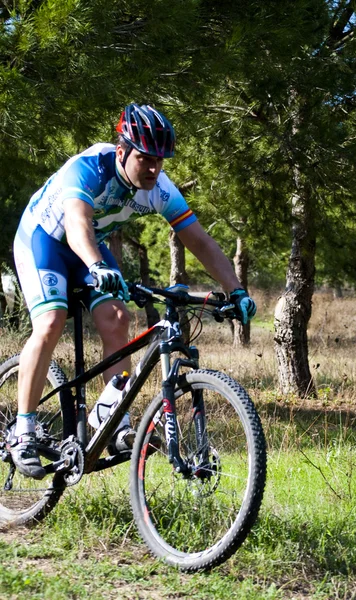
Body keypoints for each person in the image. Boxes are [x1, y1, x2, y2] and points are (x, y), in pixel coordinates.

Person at [11, 103, 256, 479]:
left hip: (89, 245)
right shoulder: (89, 167)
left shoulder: (160, 188)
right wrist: (97, 266)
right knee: (51, 321)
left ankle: (113, 417)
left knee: (118, 317)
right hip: (45, 239)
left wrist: (236, 290)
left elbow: (201, 243)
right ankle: (23, 429)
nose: (154, 168)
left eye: (161, 160)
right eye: (145, 158)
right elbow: (77, 223)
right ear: (122, 151)